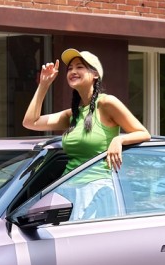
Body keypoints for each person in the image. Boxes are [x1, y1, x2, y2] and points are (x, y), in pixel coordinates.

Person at [22, 48, 151, 219]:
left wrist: (119, 140)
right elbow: (30, 122)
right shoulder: (73, 114)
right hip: (67, 189)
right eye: (70, 68)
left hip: (97, 189)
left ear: (95, 74)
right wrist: (44, 84)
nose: (73, 71)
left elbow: (143, 133)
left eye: (80, 67)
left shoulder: (106, 103)